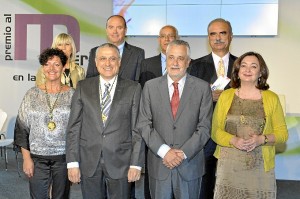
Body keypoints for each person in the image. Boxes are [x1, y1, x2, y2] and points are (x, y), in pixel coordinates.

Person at [66, 43, 144, 199]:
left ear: (119, 62)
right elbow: (74, 127)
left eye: (112, 59)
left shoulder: (133, 88)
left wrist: (136, 164)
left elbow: (138, 129)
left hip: (121, 162)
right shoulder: (83, 87)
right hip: (89, 161)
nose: (107, 63)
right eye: (103, 59)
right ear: (96, 62)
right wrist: (72, 163)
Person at [136, 40, 213, 198]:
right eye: (171, 57)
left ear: (188, 62)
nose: (175, 63)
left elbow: (204, 128)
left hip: (189, 165)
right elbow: (144, 124)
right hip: (160, 164)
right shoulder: (150, 87)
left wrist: (181, 154)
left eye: (180, 58)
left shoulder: (202, 88)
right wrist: (166, 152)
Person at [212, 51, 288, 199]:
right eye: (244, 66)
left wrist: (261, 139)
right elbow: (215, 131)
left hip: (260, 168)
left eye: (253, 66)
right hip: (228, 167)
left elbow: (282, 134)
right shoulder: (226, 96)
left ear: (261, 72)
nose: (247, 70)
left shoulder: (272, 98)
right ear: (238, 71)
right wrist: (233, 140)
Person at [14, 48, 74, 199]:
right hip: (37, 158)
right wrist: (27, 159)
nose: (51, 69)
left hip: (63, 158)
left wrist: (75, 162)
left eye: (56, 64)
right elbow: (22, 128)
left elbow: (78, 130)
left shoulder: (73, 95)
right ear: (42, 68)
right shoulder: (31, 94)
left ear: (63, 66)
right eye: (47, 64)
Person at [189, 18, 237, 199]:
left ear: (230, 36)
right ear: (208, 38)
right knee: (205, 189)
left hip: (235, 137)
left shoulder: (243, 65)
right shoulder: (195, 66)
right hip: (206, 137)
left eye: (222, 33)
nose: (218, 38)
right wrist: (206, 97)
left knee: (232, 188)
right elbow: (187, 101)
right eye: (213, 34)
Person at [86, 15, 145, 81]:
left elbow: (138, 83)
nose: (115, 32)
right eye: (111, 27)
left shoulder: (137, 53)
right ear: (106, 30)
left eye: (119, 28)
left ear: (125, 30)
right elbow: (89, 80)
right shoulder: (95, 51)